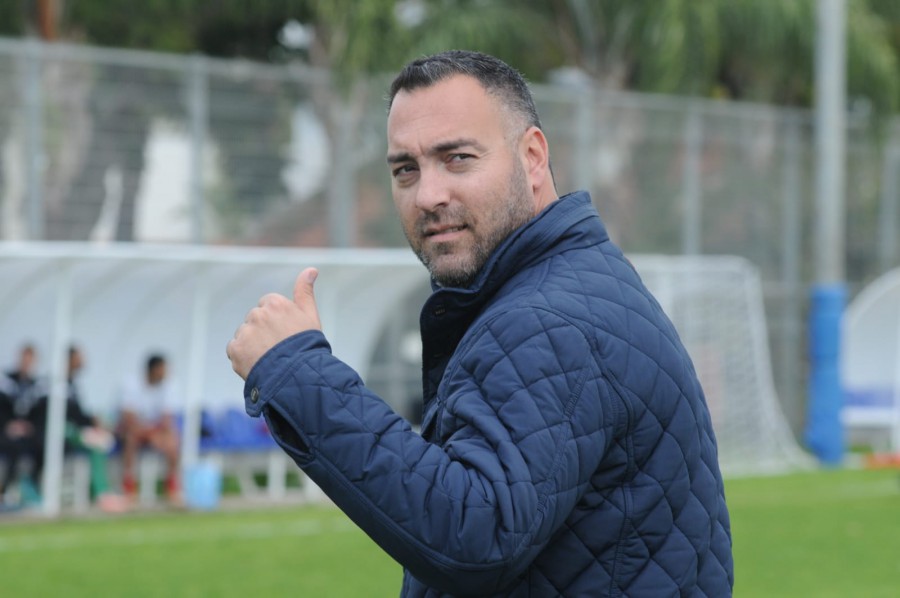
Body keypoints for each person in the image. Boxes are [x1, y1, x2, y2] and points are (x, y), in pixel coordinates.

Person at [227, 50, 734, 596]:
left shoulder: (547, 320)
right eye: (405, 169)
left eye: (458, 158)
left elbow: (474, 533)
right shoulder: (570, 286)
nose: (428, 195)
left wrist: (297, 374)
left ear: (532, 157)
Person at [25, 346, 129, 513]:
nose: (82, 362)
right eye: (78, 358)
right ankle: (102, 495)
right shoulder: (51, 383)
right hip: (52, 431)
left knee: (103, 441)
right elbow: (48, 413)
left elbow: (78, 414)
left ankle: (103, 491)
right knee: (98, 442)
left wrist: (93, 421)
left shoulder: (71, 384)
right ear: (68, 360)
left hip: (70, 431)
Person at [117, 354, 182, 504]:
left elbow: (167, 419)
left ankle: (172, 487)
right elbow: (128, 418)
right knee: (130, 438)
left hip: (154, 430)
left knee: (173, 440)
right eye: (162, 369)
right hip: (133, 430)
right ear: (153, 370)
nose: (165, 373)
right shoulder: (131, 384)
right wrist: (149, 434)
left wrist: (154, 434)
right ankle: (129, 486)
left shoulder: (169, 386)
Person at [0, 345, 44, 507]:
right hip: (6, 431)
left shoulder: (36, 385)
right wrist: (9, 425)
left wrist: (28, 426)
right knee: (13, 449)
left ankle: (33, 485)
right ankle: (5, 491)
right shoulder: (6, 382)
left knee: (42, 446)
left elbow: (38, 413)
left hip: (27, 433)